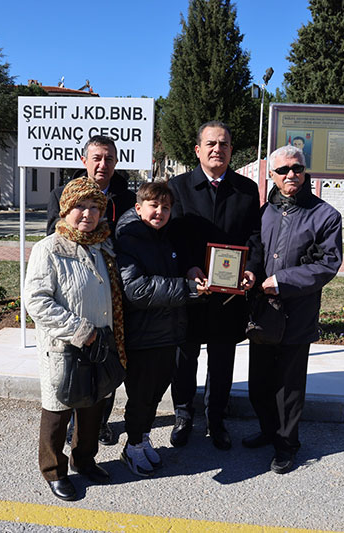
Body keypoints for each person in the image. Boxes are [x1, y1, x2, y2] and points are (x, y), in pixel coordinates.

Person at [23, 177, 125, 501]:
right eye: (80, 206)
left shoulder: (100, 246)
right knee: (58, 410)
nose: (87, 213)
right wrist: (80, 330)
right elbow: (36, 300)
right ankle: (54, 471)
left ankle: (85, 460)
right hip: (65, 348)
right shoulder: (49, 249)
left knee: (94, 406)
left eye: (95, 207)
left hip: (98, 346)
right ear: (66, 209)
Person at [243, 145, 342, 474]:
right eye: (283, 170)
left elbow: (327, 265)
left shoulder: (325, 215)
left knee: (288, 385)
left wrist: (283, 281)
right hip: (263, 315)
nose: (291, 176)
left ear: (305, 171)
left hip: (296, 315)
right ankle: (268, 430)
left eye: (297, 169)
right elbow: (255, 251)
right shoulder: (264, 211)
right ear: (271, 175)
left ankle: (287, 445)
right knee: (258, 381)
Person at [166, 121, 259, 451]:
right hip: (192, 289)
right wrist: (189, 267)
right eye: (210, 144)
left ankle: (216, 419)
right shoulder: (177, 187)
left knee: (222, 360)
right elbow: (171, 235)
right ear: (197, 150)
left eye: (224, 144)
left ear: (231, 150)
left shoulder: (247, 190)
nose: (217, 149)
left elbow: (254, 237)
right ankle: (183, 414)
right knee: (185, 358)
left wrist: (250, 269)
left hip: (228, 294)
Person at [46, 135, 136, 446]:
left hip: (113, 294)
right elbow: (54, 238)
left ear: (116, 163)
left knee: (106, 363)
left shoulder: (126, 198)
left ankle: (99, 423)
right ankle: (72, 426)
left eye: (109, 158)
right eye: (96, 157)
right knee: (73, 370)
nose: (103, 164)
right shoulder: (61, 193)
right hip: (73, 296)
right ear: (84, 160)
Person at [114, 181, 206, 477]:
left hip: (168, 332)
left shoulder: (164, 235)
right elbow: (137, 289)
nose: (160, 212)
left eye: (166, 207)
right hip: (142, 335)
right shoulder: (128, 238)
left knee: (154, 394)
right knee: (141, 395)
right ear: (139, 207)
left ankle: (141, 439)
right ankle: (132, 446)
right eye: (154, 205)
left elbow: (169, 274)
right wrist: (187, 288)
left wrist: (191, 272)